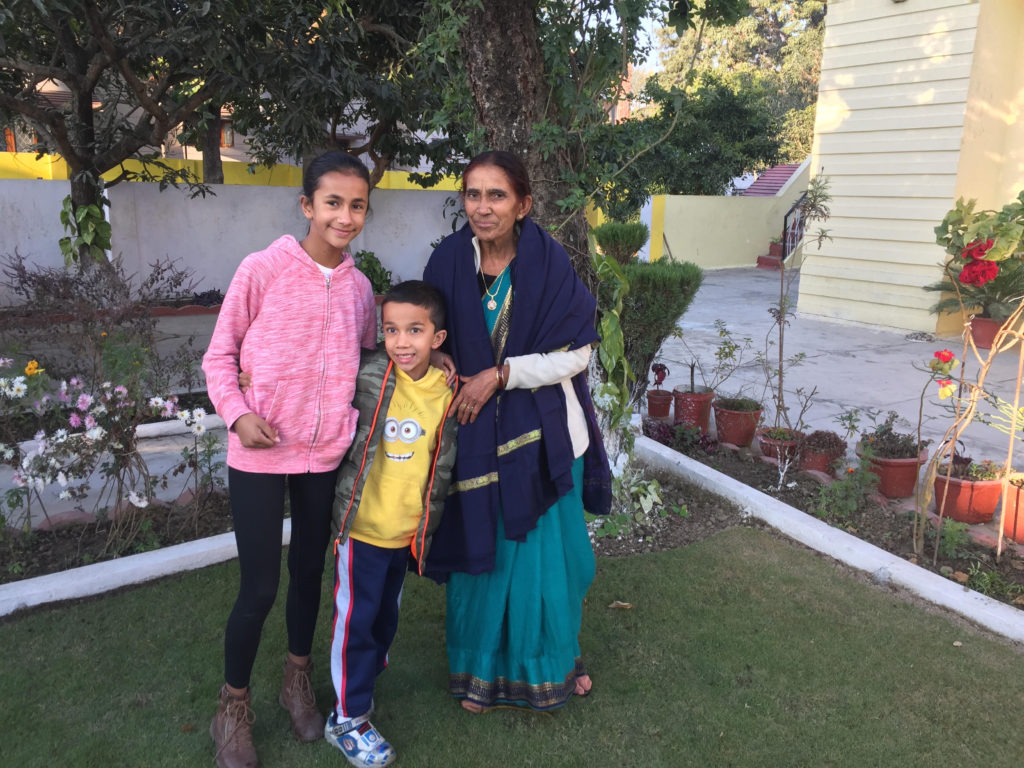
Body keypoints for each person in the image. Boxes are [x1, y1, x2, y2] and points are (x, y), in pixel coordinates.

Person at [202, 151, 377, 768]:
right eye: (333, 202)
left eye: (357, 205)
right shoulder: (263, 270)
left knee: (309, 576)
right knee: (259, 588)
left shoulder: (360, 289)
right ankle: (233, 705)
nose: (345, 216)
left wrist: (432, 359)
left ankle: (297, 680)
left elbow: (369, 362)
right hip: (260, 454)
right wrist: (237, 413)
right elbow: (218, 357)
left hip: (324, 454)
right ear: (308, 206)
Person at [422, 150, 611, 713]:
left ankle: (553, 661)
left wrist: (503, 375)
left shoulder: (549, 264)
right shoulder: (448, 263)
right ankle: (479, 672)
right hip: (474, 436)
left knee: (551, 560)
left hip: (547, 439)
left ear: (523, 203)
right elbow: (430, 339)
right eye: (473, 194)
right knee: (486, 554)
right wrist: (445, 365)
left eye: (496, 195)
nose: (482, 207)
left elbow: (577, 354)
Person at [322, 279, 458, 767]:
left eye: (415, 331)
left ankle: (358, 687)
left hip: (405, 534)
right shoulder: (369, 375)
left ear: (437, 339)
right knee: (355, 623)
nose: (402, 341)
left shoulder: (446, 388)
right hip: (361, 531)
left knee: (384, 620)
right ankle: (347, 718)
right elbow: (319, 374)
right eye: (391, 330)